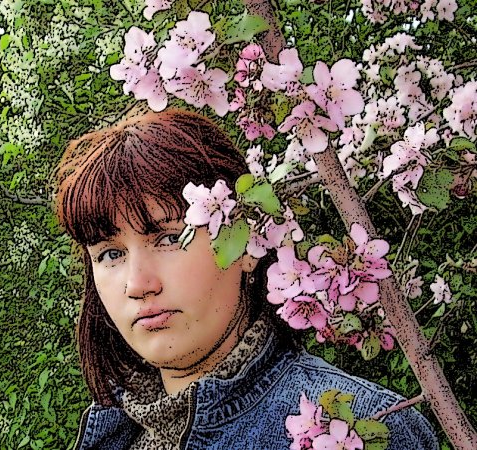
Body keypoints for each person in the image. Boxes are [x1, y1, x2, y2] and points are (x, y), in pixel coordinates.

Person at [55, 109, 438, 449]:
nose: (138, 284)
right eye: (110, 254)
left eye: (170, 239)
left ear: (248, 245)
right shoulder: (116, 433)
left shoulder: (359, 430)